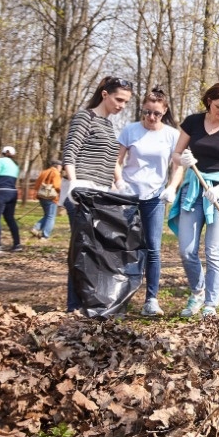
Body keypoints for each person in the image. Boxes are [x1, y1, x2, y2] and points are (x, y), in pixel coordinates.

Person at [166, 82, 219, 319]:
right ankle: (198, 292)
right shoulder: (192, 122)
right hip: (194, 188)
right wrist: (183, 161)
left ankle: (211, 304)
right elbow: (176, 154)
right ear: (209, 101)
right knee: (186, 249)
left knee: (213, 251)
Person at [62, 76, 134, 311]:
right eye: (119, 99)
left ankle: (92, 303)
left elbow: (111, 158)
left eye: (126, 102)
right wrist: (73, 182)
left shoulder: (107, 124)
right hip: (81, 192)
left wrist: (119, 183)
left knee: (96, 251)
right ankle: (74, 305)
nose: (121, 105)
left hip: (101, 193)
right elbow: (70, 151)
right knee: (81, 249)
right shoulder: (85, 117)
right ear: (105, 94)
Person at [115, 88, 180, 317]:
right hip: (129, 195)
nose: (151, 118)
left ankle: (151, 299)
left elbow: (178, 165)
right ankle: (119, 298)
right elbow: (117, 160)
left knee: (153, 249)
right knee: (127, 247)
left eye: (156, 114)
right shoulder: (130, 130)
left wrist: (172, 187)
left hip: (154, 197)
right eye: (147, 112)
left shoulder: (172, 135)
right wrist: (120, 182)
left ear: (164, 112)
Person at [31, 160, 63, 240]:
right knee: (51, 216)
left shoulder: (44, 172)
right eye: (61, 167)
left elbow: (37, 184)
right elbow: (57, 186)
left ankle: (36, 228)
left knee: (47, 215)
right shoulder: (56, 173)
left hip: (42, 196)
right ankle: (45, 235)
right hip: (51, 197)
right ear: (58, 166)